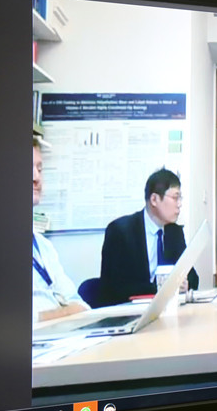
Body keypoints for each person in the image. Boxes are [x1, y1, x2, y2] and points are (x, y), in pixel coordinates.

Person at [99, 168, 198, 303]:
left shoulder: (174, 232)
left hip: (166, 309)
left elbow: (193, 276)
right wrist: (160, 288)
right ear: (154, 199)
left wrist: (185, 284)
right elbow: (114, 287)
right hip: (129, 311)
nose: (179, 204)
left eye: (180, 198)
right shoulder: (120, 232)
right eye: (175, 198)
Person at [32, 137, 90, 322]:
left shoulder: (43, 246)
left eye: (39, 169)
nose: (36, 178)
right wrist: (64, 313)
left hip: (61, 333)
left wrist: (58, 314)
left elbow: (79, 303)